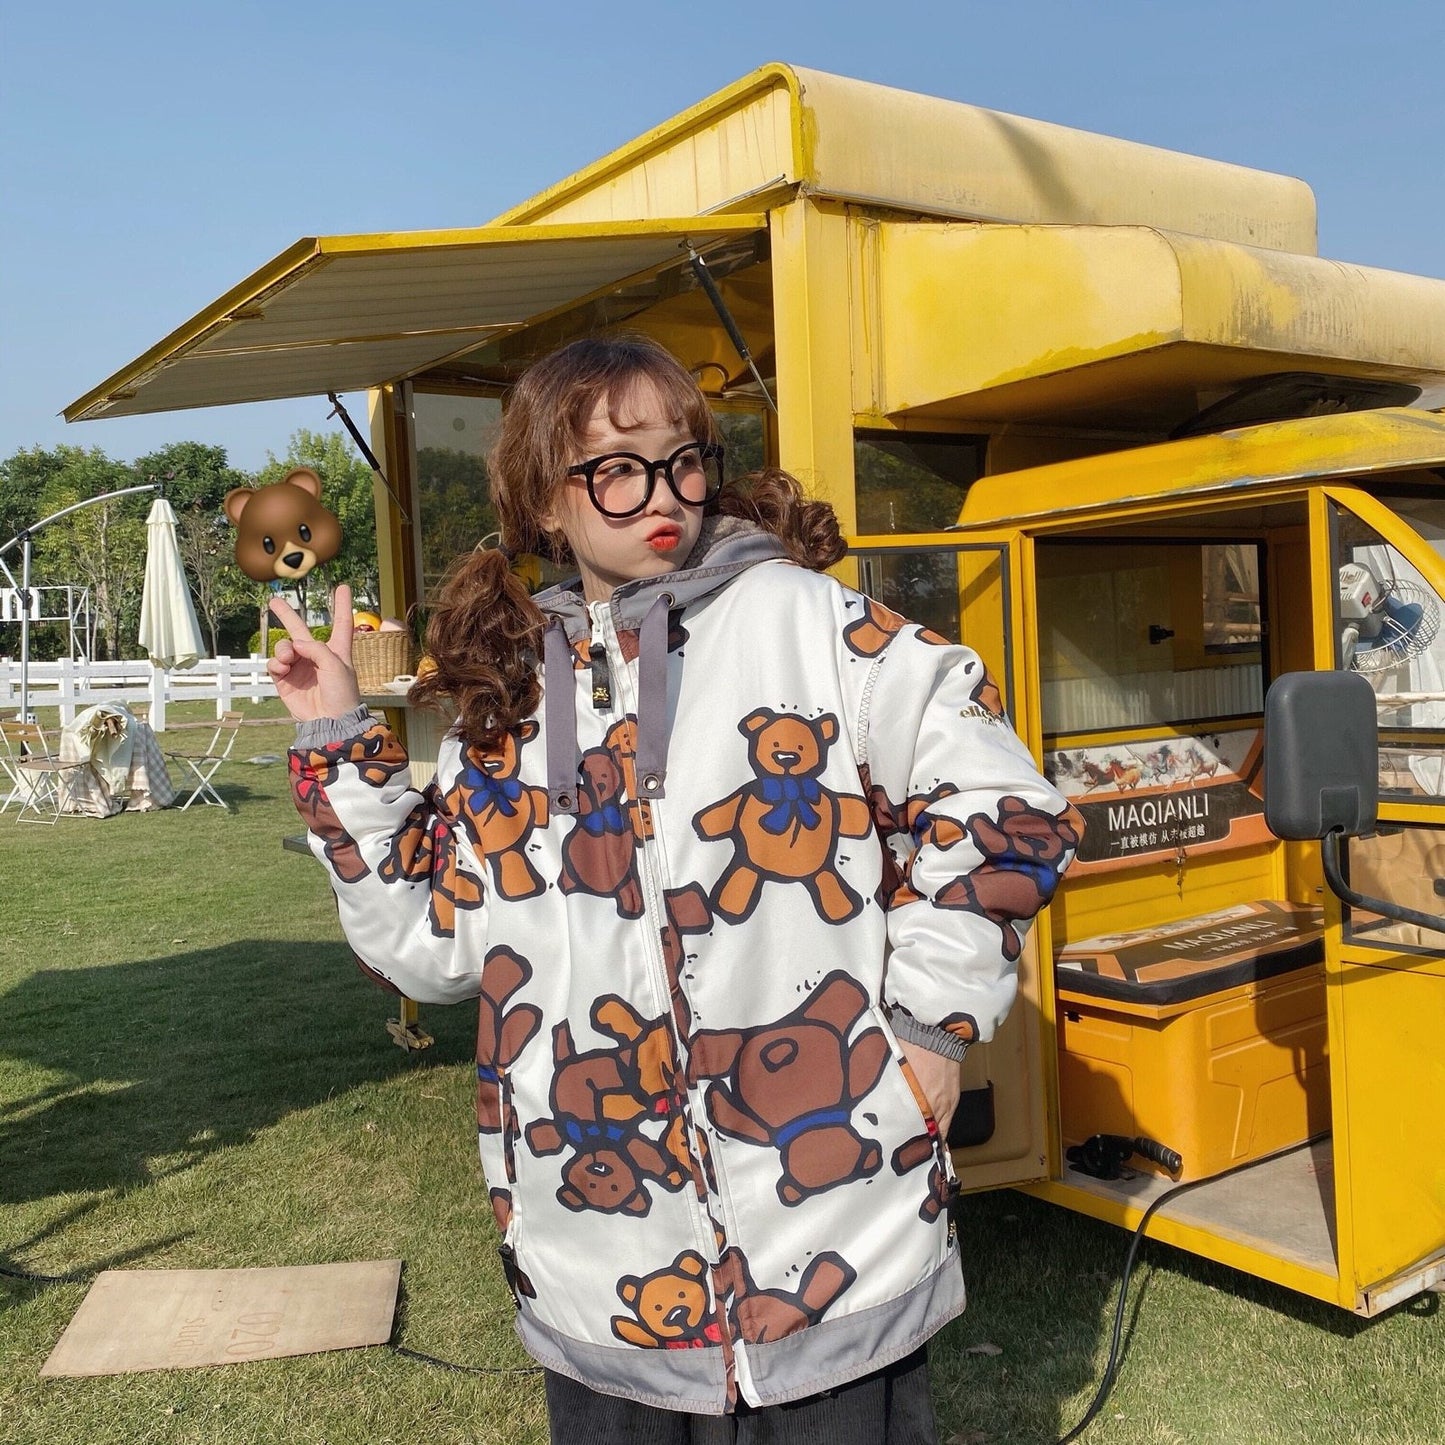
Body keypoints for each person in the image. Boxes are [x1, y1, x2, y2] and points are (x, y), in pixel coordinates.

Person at [270, 335, 1081, 1443]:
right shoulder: (503, 712)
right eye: (613, 465)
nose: (659, 494)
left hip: (832, 1237)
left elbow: (1001, 806)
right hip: (600, 1266)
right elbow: (432, 944)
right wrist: (334, 732)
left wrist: (927, 1025)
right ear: (543, 501)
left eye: (680, 457)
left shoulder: (813, 627)